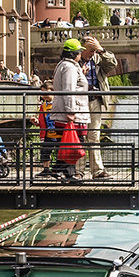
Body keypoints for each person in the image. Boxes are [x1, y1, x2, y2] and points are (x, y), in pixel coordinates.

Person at [49, 38, 89, 184]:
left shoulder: (66, 65)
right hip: (72, 113)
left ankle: (61, 170)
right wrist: (71, 111)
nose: (80, 55)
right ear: (74, 54)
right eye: (79, 52)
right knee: (74, 143)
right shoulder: (69, 67)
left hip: (68, 112)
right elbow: (69, 89)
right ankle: (65, 171)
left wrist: (81, 73)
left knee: (68, 142)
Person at [77, 35, 118, 180]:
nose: (92, 53)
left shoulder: (98, 58)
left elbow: (113, 64)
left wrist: (101, 49)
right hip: (79, 102)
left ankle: (97, 171)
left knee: (93, 137)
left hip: (95, 101)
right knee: (80, 136)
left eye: (94, 50)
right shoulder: (74, 60)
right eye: (90, 50)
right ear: (82, 49)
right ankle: (79, 171)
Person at [35, 80, 57, 178]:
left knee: (60, 151)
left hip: (58, 132)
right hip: (48, 133)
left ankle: (59, 169)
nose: (44, 95)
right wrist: (36, 122)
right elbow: (42, 121)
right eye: (43, 93)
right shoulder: (43, 106)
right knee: (45, 151)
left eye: (46, 93)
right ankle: (46, 169)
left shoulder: (57, 104)